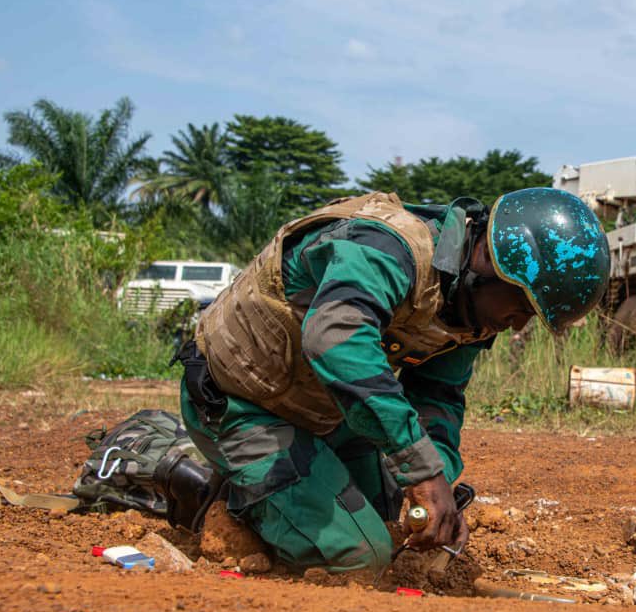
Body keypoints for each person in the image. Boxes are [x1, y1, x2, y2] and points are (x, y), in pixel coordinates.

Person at [163, 188, 610, 572]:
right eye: (522, 306)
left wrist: (439, 480)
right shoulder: (384, 248)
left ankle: (277, 493)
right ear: (488, 261)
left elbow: (438, 396)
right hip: (240, 404)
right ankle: (208, 494)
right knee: (359, 556)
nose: (517, 325)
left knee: (392, 522)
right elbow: (335, 341)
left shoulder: (469, 308)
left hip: (324, 412)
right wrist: (422, 473)